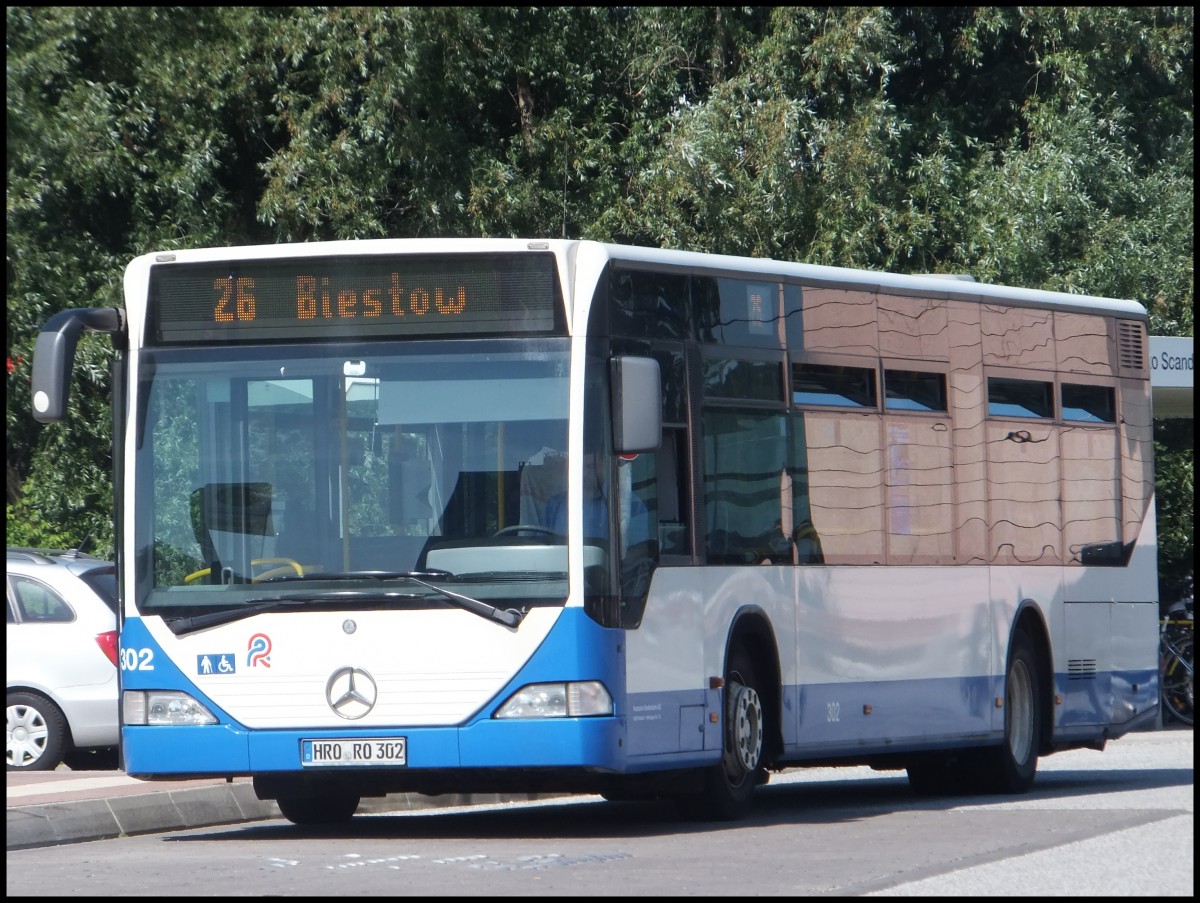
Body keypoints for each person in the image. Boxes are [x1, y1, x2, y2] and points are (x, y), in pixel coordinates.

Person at [542, 451, 650, 546]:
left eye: (590, 467)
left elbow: (637, 552)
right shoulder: (555, 505)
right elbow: (542, 545)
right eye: (578, 467)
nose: (583, 474)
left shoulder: (628, 504)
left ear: (604, 466)